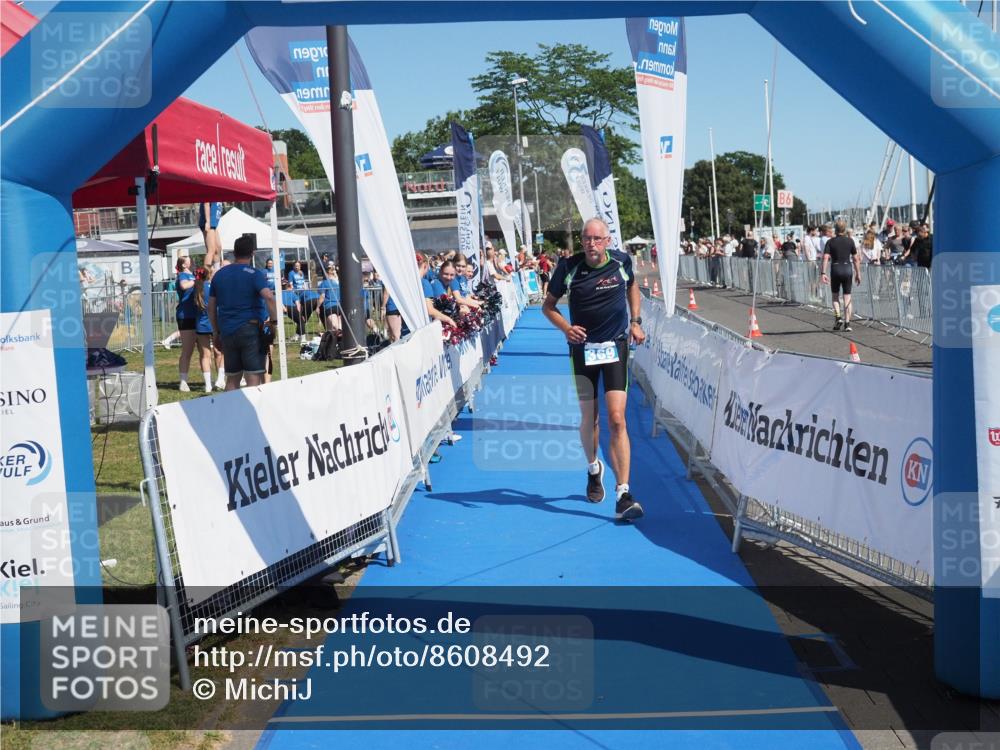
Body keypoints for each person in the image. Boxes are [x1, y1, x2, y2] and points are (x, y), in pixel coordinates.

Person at [542, 218, 645, 522]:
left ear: (607, 240)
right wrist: (566, 328)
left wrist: (635, 322)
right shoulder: (569, 267)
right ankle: (593, 468)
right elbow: (549, 306)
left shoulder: (622, 262)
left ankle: (623, 493)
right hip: (582, 350)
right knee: (591, 417)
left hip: (614, 346)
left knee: (616, 419)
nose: (591, 244)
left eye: (597, 239)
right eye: (587, 239)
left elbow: (633, 287)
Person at [208, 235, 278, 391]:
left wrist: (215, 331)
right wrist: (274, 323)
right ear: (252, 253)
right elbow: (269, 297)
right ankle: (250, 414)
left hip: (227, 330)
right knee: (253, 378)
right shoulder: (255, 274)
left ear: (234, 252)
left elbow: (211, 307)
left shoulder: (219, 275)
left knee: (232, 379)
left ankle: (229, 413)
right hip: (250, 329)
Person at [821, 219, 862, 332]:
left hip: (835, 268)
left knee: (835, 296)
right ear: (845, 229)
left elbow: (825, 257)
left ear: (835, 229)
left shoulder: (830, 242)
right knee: (847, 297)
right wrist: (858, 273)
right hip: (847, 269)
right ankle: (847, 323)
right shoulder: (850, 241)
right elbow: (855, 258)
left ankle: (838, 317)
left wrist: (823, 273)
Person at [193, 267, 225, 392]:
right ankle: (220, 380)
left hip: (201, 325)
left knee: (205, 355)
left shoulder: (196, 288)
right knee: (221, 353)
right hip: (215, 323)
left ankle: (208, 385)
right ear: (209, 275)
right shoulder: (213, 287)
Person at [173, 256, 198, 392]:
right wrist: (196, 281)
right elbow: (184, 285)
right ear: (183, 265)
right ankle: (183, 381)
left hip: (198, 315)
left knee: (205, 350)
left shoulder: (193, 275)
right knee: (187, 350)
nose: (191, 261)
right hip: (186, 315)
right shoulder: (182, 275)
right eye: (188, 259)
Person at [317, 263, 341, 336]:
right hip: (338, 307)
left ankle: (325, 336)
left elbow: (322, 296)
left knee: (335, 327)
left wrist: (317, 307)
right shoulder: (338, 283)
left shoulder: (323, 283)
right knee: (334, 328)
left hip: (329, 307)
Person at [199, 202, 223, 268]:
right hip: (209, 223)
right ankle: (207, 274)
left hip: (213, 224)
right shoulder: (211, 192)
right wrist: (208, 221)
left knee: (218, 249)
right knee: (211, 250)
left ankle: (216, 269)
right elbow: (206, 203)